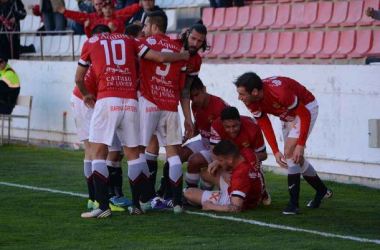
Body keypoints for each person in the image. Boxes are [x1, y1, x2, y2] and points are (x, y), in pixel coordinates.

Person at [76, 24, 189, 218]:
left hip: (107, 98)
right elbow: (159, 56)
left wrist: (86, 94)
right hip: (130, 101)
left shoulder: (91, 41)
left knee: (97, 153)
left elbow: (79, 77)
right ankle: (138, 204)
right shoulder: (131, 41)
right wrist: (183, 52)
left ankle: (102, 206)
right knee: (134, 155)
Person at [234, 72, 333, 215]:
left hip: (306, 108)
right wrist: (275, 151)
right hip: (287, 114)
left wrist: (301, 144)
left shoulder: (279, 93)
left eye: (242, 94)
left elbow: (304, 114)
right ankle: (322, 191)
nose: (239, 97)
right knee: (292, 157)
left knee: (290, 151)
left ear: (254, 92)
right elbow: (264, 123)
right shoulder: (250, 100)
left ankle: (293, 205)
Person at [70, 25, 128, 212]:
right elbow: (79, 79)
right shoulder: (106, 53)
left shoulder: (95, 51)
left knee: (95, 149)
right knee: (98, 149)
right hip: (85, 99)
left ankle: (95, 198)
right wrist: (86, 94)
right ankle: (101, 199)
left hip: (82, 98)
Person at [138, 10, 191, 214]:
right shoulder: (179, 49)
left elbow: (153, 60)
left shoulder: (145, 43)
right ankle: (177, 203)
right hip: (171, 105)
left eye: (145, 26)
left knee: (140, 151)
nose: (143, 30)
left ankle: (143, 199)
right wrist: (188, 117)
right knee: (173, 154)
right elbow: (182, 87)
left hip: (150, 102)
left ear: (153, 26)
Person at [184, 140, 266, 213]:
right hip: (253, 189)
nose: (219, 162)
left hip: (239, 198)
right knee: (205, 173)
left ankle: (198, 200)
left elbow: (236, 208)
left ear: (230, 159)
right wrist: (217, 162)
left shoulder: (240, 176)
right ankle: (205, 194)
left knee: (188, 193)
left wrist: (212, 207)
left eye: (220, 160)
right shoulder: (247, 152)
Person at [57, 0, 141, 37]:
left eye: (101, 4)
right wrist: (65, 12)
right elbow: (79, 16)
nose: (99, 7)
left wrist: (139, 5)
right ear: (93, 5)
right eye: (96, 4)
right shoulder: (94, 18)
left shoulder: (117, 16)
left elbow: (127, 11)